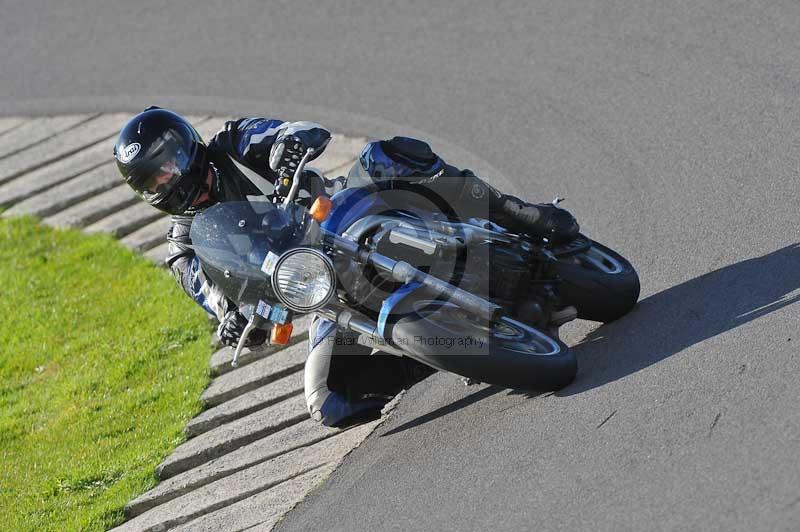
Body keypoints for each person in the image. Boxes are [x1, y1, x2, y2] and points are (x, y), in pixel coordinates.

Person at [113, 107, 579, 426]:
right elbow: (212, 296)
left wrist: (288, 149)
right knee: (328, 401)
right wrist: (233, 320)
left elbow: (298, 131)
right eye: (154, 178)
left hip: (349, 215)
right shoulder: (182, 248)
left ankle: (513, 212)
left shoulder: (234, 142)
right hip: (325, 291)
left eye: (169, 163)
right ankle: (452, 351)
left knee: (386, 155)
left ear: (187, 146)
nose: (168, 178)